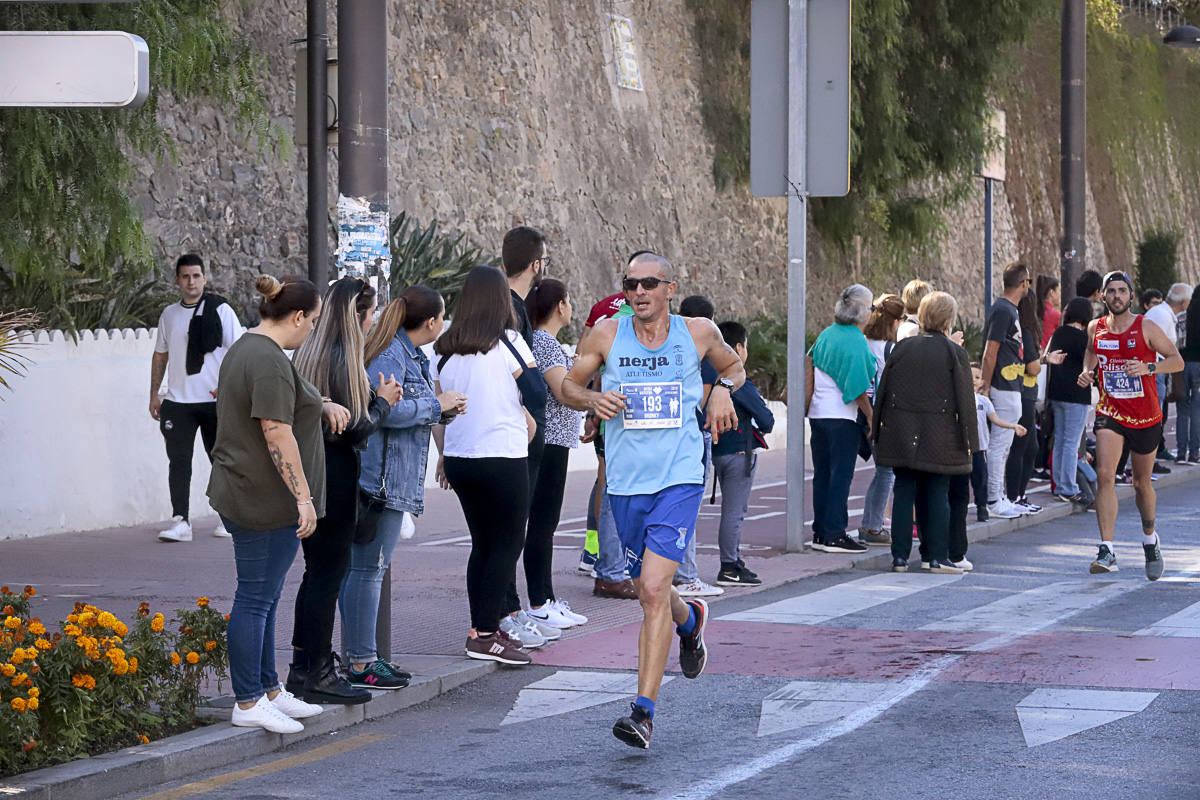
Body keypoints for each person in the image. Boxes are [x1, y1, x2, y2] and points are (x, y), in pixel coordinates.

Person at [560, 252, 744, 749]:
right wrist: (591, 401)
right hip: (625, 482)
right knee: (650, 589)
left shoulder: (699, 331)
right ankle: (692, 621)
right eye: (630, 284)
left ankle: (643, 712)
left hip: (679, 477)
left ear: (670, 288)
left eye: (648, 284)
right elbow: (569, 386)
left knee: (654, 587)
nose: (638, 292)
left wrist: (723, 390)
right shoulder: (605, 335)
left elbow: (735, 367)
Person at [207, 274, 330, 733]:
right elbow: (276, 431)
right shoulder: (267, 360)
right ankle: (247, 701)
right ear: (297, 316)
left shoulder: (250, 348)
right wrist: (303, 497)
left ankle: (268, 691)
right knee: (256, 598)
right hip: (261, 500)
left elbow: (285, 408)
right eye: (313, 321)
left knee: (265, 596)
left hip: (251, 492)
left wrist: (323, 404)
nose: (313, 330)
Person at [340, 286, 467, 689]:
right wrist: (437, 406)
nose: (443, 324)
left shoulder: (406, 353)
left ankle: (362, 656)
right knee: (367, 570)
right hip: (382, 479)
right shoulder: (392, 355)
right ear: (431, 322)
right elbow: (386, 412)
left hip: (387, 477)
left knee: (363, 569)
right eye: (442, 317)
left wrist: (439, 406)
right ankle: (361, 661)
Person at [286, 278, 403, 704]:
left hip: (314, 471)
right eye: (370, 315)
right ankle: (316, 672)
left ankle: (305, 667)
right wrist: (384, 401)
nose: (373, 323)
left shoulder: (311, 352)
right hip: (334, 477)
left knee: (315, 574)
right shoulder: (343, 357)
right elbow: (352, 429)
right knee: (327, 576)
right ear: (357, 315)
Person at [432, 266, 546, 665]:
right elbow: (537, 393)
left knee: (482, 544)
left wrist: (444, 455)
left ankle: (479, 627)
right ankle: (483, 634)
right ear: (500, 301)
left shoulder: (444, 348)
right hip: (503, 456)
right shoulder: (509, 342)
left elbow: (437, 410)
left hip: (462, 459)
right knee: (508, 543)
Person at [1077, 270, 1183, 580]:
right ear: (1103, 296)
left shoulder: (1146, 327)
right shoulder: (1095, 328)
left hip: (1146, 416)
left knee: (1141, 484)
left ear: (1131, 296)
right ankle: (1107, 549)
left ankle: (1150, 538)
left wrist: (1149, 366)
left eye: (1122, 291)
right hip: (1111, 411)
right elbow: (1090, 352)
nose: (1117, 296)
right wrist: (1087, 371)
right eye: (1111, 291)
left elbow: (1175, 359)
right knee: (1105, 475)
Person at [873, 292, 978, 574]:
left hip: (900, 432)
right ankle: (936, 557)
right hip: (940, 434)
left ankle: (899, 557)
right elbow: (966, 402)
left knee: (904, 491)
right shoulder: (954, 352)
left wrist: (877, 433)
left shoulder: (903, 348)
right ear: (948, 318)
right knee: (937, 492)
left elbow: (883, 392)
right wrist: (971, 443)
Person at [151, 253, 245, 542]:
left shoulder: (221, 310)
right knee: (178, 461)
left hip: (215, 401)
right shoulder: (169, 315)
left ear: (204, 278)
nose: (191, 281)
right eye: (185, 276)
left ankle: (228, 519)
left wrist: (230, 389)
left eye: (196, 275)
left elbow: (239, 351)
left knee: (221, 460)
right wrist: (154, 393)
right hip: (178, 402)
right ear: (177, 280)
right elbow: (161, 355)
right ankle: (181, 521)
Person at [498, 227, 562, 644]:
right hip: (518, 433)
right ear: (536, 264)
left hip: (517, 431)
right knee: (508, 531)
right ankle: (505, 614)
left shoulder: (509, 306)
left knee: (509, 530)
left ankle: (511, 610)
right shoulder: (513, 310)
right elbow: (518, 375)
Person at [522, 279, 593, 627]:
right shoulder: (544, 342)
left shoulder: (544, 342)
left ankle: (545, 597)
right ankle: (540, 601)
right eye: (568, 300)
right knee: (542, 523)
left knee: (543, 523)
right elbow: (564, 390)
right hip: (548, 441)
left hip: (555, 440)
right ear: (560, 306)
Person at [579, 277, 638, 600]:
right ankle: (610, 568)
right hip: (618, 425)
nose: (644, 291)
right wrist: (592, 410)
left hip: (620, 423)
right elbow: (586, 367)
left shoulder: (605, 313)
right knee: (612, 489)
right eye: (638, 283)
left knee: (609, 486)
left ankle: (607, 562)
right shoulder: (618, 324)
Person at [806, 285, 876, 554]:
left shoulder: (826, 334)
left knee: (823, 475)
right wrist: (870, 417)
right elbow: (858, 387)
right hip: (842, 416)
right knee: (840, 476)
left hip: (818, 414)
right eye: (870, 308)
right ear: (862, 311)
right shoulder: (856, 340)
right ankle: (835, 533)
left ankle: (821, 532)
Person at [711, 320, 774, 585]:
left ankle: (731, 561)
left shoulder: (709, 378)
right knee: (734, 512)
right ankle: (730, 565)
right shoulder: (738, 380)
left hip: (714, 451)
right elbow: (767, 419)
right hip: (739, 454)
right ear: (737, 347)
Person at [672, 294, 725, 598]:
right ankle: (686, 574)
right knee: (687, 506)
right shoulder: (703, 357)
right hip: (693, 433)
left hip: (674, 432)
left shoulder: (674, 347)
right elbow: (702, 402)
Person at [979, 262, 1031, 520]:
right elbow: (991, 350)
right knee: (1000, 445)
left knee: (1004, 444)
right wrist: (986, 386)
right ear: (1023, 283)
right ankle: (993, 499)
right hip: (1002, 384)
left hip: (1011, 384)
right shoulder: (1003, 310)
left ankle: (999, 496)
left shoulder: (1009, 309)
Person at [858, 292, 906, 546]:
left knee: (881, 471)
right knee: (886, 471)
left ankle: (871, 522)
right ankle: (872, 525)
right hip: (882, 414)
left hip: (857, 411)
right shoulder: (891, 349)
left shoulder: (862, 341)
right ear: (895, 322)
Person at [1046, 297, 1094, 502]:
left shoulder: (1058, 333)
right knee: (1071, 443)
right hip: (1076, 395)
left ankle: (1059, 484)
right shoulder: (1083, 338)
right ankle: (1069, 487)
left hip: (1057, 394)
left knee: (1060, 441)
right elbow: (1092, 363)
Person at [1003, 286, 1045, 512]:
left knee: (1029, 446)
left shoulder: (1021, 330)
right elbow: (1032, 366)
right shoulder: (1026, 333)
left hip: (1024, 392)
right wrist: (1042, 361)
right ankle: (1014, 496)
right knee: (1023, 447)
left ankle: (1018, 495)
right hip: (1025, 393)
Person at [969, 364, 1027, 521]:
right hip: (963, 450)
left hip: (980, 449)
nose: (974, 380)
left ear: (982, 382)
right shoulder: (959, 399)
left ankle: (982, 507)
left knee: (980, 480)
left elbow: (996, 419)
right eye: (970, 376)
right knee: (958, 482)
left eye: (977, 377)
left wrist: (1012, 426)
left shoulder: (984, 401)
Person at [1144, 282, 1191, 461]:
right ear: (1184, 302)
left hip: (1156, 368)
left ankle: (1151, 458)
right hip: (1155, 369)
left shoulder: (1162, 314)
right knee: (1153, 416)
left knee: (1156, 415)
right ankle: (1150, 460)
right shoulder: (1162, 316)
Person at [1177, 284, 1200, 465]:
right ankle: (1194, 453)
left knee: (1182, 409)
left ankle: (1180, 452)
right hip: (1199, 365)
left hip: (1181, 364)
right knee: (1197, 409)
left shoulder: (1182, 316)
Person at [1037, 275, 1062, 350]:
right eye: (1059, 290)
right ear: (1051, 292)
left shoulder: (1036, 310)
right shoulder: (1055, 314)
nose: (1060, 294)